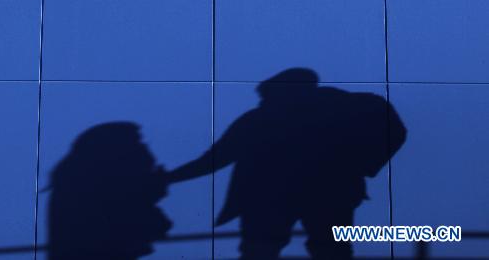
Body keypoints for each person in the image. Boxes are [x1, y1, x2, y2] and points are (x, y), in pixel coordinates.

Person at [166, 68, 407, 259]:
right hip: (323, 195)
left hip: (274, 198)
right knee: (328, 250)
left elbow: (214, 159)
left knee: (265, 250)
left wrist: (363, 165)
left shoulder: (261, 120)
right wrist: (364, 166)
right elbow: (215, 159)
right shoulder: (341, 108)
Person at [48, 122, 171, 260]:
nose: (148, 154)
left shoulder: (76, 182)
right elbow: (150, 224)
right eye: (138, 146)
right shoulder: (86, 188)